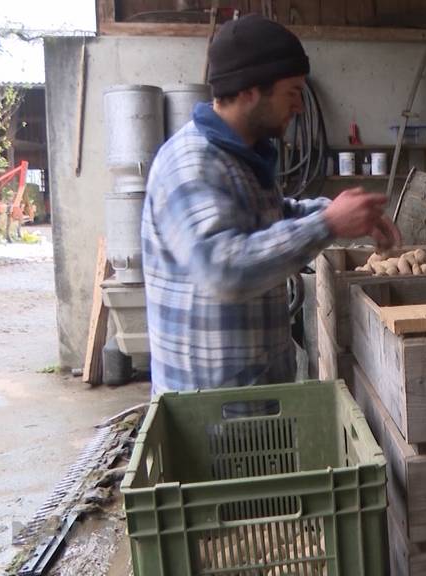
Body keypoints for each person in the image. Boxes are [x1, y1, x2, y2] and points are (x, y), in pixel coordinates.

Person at [142, 14, 399, 397]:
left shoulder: (240, 156)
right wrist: (328, 223)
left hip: (255, 395)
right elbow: (222, 270)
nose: (298, 106)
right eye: (292, 92)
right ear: (249, 91)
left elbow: (271, 217)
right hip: (211, 411)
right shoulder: (193, 164)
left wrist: (340, 213)